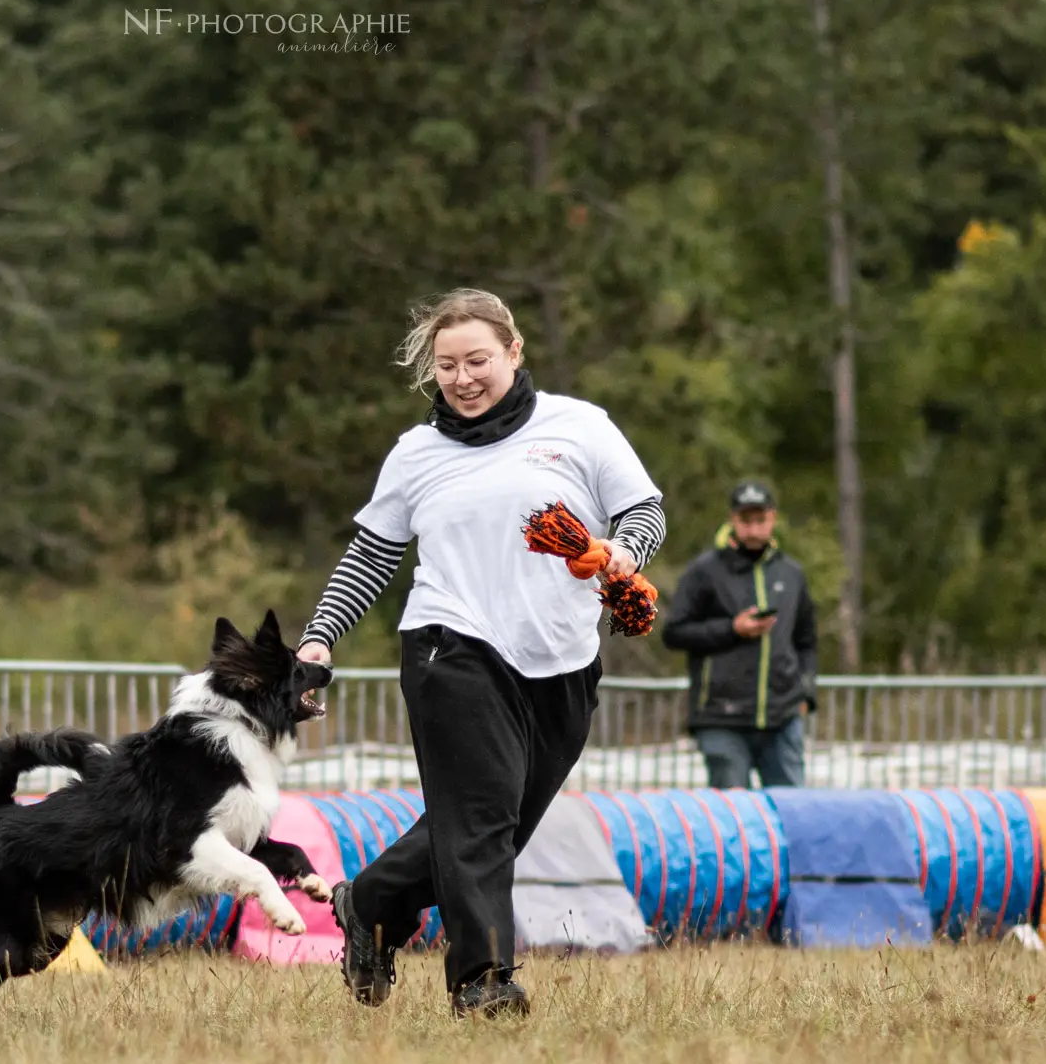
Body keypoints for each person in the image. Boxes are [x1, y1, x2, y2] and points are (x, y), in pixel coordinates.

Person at [295, 289, 665, 1019]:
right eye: (447, 366)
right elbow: (372, 554)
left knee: (493, 827)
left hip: (562, 660)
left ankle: (369, 903)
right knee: (479, 823)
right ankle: (482, 981)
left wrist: (624, 551)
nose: (462, 379)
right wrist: (318, 636)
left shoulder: (580, 427)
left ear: (514, 352)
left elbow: (644, 511)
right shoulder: (416, 453)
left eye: (478, 361)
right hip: (450, 646)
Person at [660, 481, 818, 789]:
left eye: (761, 520)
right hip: (721, 719)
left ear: (773, 519)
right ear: (733, 520)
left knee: (792, 812)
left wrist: (806, 692)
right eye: (746, 521)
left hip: (782, 718)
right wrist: (732, 629)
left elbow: (806, 641)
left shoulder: (791, 573)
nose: (754, 529)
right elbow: (673, 632)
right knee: (735, 817)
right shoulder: (704, 571)